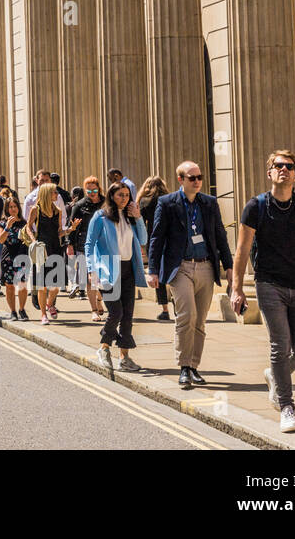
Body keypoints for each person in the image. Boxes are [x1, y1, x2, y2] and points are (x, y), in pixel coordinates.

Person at [230, 150, 295, 433]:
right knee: (280, 345)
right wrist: (236, 288)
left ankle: (274, 376)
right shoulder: (256, 206)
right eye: (278, 166)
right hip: (268, 284)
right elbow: (242, 249)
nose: (284, 169)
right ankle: (287, 407)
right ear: (270, 172)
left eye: (289, 166)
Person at [150, 161, 233, 391]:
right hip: (181, 267)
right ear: (181, 180)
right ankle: (184, 366)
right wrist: (153, 270)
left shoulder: (209, 203)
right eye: (191, 178)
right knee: (187, 315)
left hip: (206, 266)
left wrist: (229, 266)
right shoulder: (167, 203)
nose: (197, 181)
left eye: (199, 177)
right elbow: (157, 237)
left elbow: (220, 235)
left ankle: (194, 366)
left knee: (200, 320)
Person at [87, 182, 148, 371]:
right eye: (120, 195)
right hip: (107, 270)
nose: (125, 198)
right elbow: (89, 244)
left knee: (128, 315)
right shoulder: (100, 217)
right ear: (112, 196)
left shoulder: (130, 218)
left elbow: (144, 240)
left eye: (127, 195)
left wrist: (138, 217)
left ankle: (124, 357)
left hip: (128, 268)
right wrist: (91, 269)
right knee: (116, 312)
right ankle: (104, 348)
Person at [27, 182, 74, 324]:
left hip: (55, 248)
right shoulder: (35, 209)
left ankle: (49, 304)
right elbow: (28, 227)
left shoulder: (58, 211)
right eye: (54, 192)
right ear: (47, 194)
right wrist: (33, 240)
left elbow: (59, 232)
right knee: (42, 285)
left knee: (56, 285)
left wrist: (69, 230)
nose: (57, 195)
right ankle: (43, 315)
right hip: (41, 248)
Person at [67, 177, 107, 321]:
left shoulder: (106, 203)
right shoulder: (79, 205)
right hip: (85, 245)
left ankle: (99, 300)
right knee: (90, 279)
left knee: (101, 278)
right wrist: (70, 245)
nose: (92, 192)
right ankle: (94, 310)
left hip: (104, 244)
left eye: (94, 189)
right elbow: (72, 225)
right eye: (88, 190)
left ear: (99, 188)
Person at [136, 176, 172, 320]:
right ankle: (177, 302)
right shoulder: (170, 199)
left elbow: (140, 223)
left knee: (157, 275)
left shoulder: (145, 202)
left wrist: (141, 244)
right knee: (173, 272)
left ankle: (165, 309)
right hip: (170, 240)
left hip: (154, 240)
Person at [0, 195, 30, 319]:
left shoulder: (24, 223)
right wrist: (7, 227)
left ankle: (22, 310)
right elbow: (0, 240)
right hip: (8, 258)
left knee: (22, 285)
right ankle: (13, 311)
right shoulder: (2, 223)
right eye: (10, 207)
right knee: (10, 286)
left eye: (15, 206)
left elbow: (29, 237)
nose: (13, 209)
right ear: (6, 209)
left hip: (22, 256)